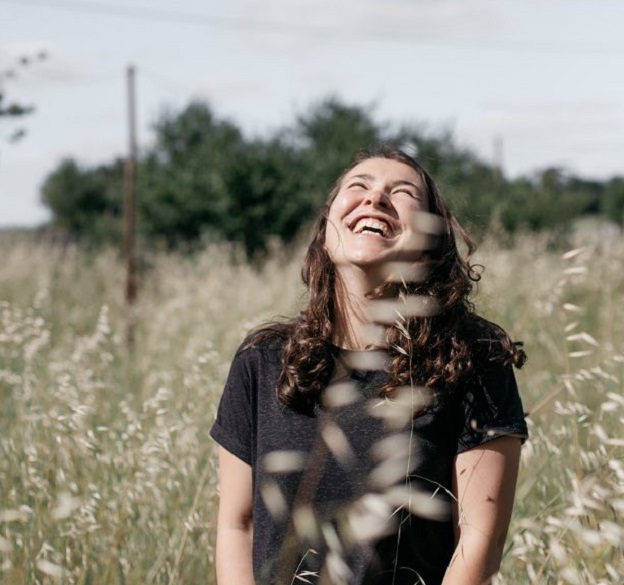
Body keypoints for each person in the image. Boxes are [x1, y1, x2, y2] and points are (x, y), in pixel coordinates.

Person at [210, 144, 528, 585]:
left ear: (430, 241)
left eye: (401, 193)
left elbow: (480, 542)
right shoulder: (262, 361)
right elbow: (236, 525)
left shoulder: (472, 357)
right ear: (325, 229)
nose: (375, 198)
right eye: (358, 186)